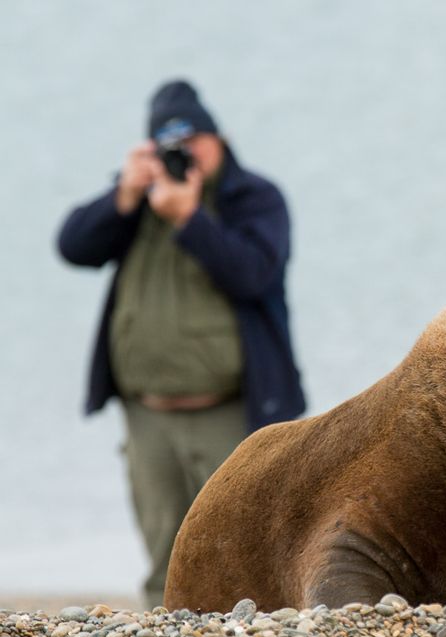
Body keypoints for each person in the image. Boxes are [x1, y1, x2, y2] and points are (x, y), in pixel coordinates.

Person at [57, 79, 306, 608]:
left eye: (194, 142)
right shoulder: (138, 200)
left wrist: (190, 219)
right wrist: (123, 195)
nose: (184, 156)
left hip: (233, 415)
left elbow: (253, 273)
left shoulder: (254, 198)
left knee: (246, 555)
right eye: (169, 147)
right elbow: (73, 245)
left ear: (220, 138)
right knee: (163, 565)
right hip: (147, 418)